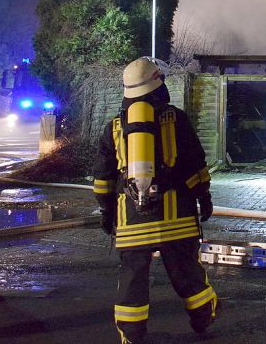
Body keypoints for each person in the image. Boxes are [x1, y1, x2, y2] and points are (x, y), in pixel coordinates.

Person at [93, 57, 217, 344]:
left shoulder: (113, 128)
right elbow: (195, 163)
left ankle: (132, 334)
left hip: (132, 222)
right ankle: (203, 317)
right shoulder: (177, 119)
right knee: (186, 272)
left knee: (132, 281)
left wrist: (106, 211)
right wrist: (203, 195)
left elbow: (103, 178)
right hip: (177, 221)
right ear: (157, 84)